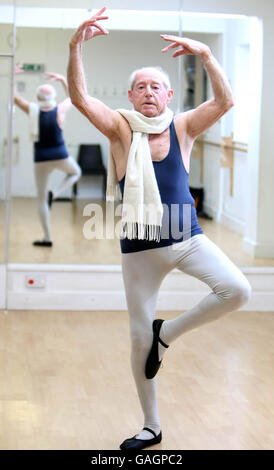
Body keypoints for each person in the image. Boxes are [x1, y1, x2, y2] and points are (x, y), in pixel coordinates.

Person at [67, 7, 252, 450]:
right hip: (139, 250)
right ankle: (152, 426)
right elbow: (79, 98)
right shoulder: (118, 128)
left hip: (187, 239)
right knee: (136, 340)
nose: (149, 92)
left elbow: (225, 102)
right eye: (141, 87)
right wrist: (75, 46)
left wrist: (206, 54)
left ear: (169, 95)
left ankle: (165, 336)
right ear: (131, 95)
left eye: (156, 86)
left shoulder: (184, 125)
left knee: (238, 290)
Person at [14, 66, 82, 247]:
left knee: (41, 200)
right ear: (52, 97)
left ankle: (47, 238)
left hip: (41, 159)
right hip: (60, 155)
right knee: (76, 173)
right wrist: (62, 81)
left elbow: (15, 98)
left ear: (38, 97)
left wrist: (14, 75)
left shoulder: (32, 109)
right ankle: (57, 193)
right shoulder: (59, 109)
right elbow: (73, 99)